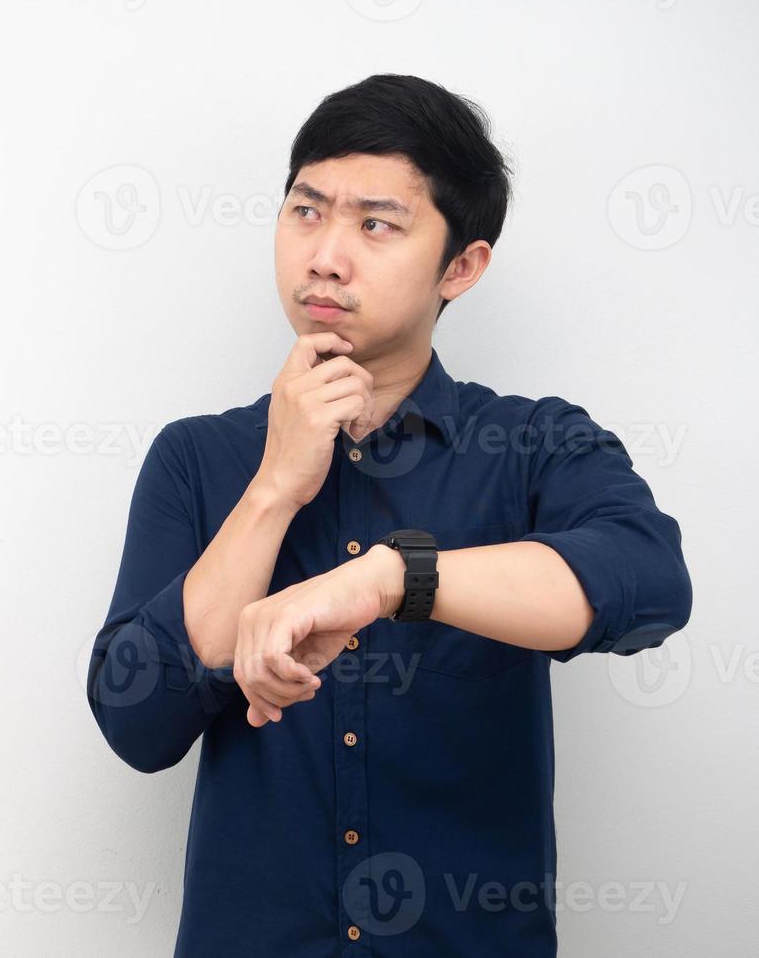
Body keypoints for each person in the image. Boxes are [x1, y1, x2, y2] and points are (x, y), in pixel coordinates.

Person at [85, 73, 692, 957]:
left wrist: (390, 580)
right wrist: (274, 488)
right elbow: (135, 723)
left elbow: (646, 586)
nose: (325, 256)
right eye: (305, 211)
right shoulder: (198, 458)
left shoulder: (530, 443)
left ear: (462, 265)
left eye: (375, 224)